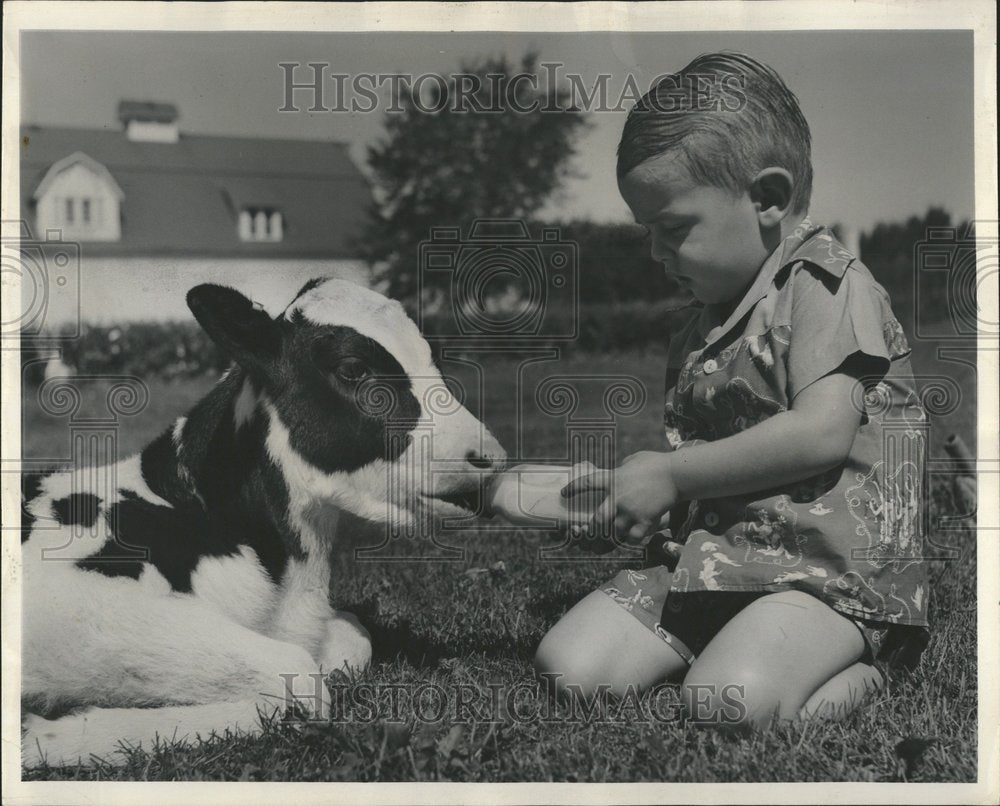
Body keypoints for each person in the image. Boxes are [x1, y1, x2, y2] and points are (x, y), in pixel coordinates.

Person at [533, 52, 930, 728]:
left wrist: (670, 472)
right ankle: (738, 643)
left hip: (826, 576)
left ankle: (869, 666)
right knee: (570, 668)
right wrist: (646, 508)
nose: (656, 253)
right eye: (646, 232)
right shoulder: (701, 326)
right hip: (718, 563)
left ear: (768, 199)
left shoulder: (829, 286)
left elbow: (821, 431)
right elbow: (712, 466)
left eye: (673, 228)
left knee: (726, 701)